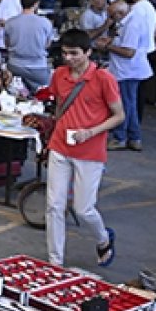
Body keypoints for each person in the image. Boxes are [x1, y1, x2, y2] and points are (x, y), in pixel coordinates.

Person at [45, 29, 124, 267]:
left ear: (88, 53)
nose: (68, 58)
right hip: (60, 146)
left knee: (83, 209)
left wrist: (91, 132)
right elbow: (60, 105)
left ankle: (103, 239)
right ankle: (54, 261)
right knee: (53, 206)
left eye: (74, 54)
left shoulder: (103, 79)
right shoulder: (59, 75)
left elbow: (119, 115)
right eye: (64, 53)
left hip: (90, 152)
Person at [96, 0, 156, 151]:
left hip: (128, 70)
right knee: (128, 104)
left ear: (120, 14)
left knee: (125, 106)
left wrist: (107, 46)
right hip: (126, 70)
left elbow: (129, 52)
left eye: (112, 16)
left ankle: (123, 136)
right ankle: (132, 136)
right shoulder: (129, 21)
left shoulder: (132, 24)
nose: (110, 19)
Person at [3, 0, 53, 92]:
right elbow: (47, 44)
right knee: (43, 95)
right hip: (37, 67)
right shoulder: (45, 22)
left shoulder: (10, 22)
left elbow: (7, 44)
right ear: (36, 4)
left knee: (15, 93)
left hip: (14, 66)